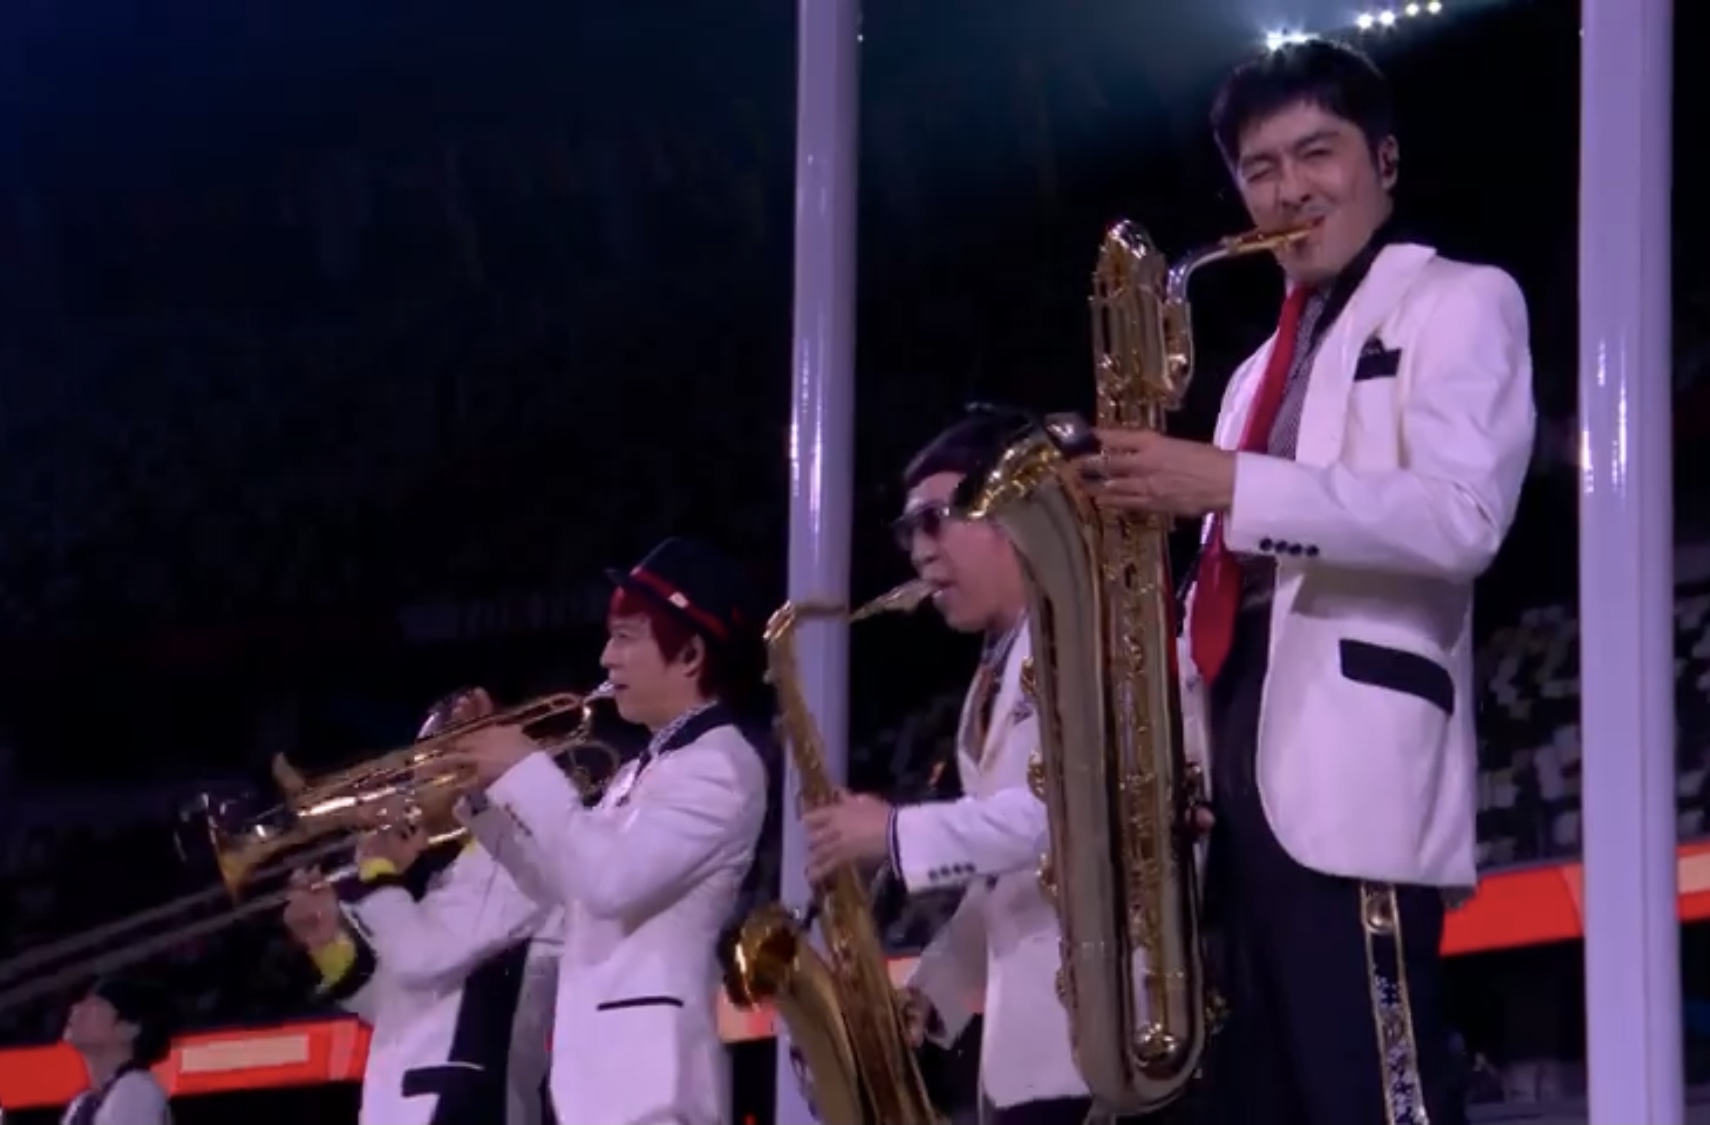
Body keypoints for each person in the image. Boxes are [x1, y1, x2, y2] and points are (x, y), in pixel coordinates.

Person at [1082, 37, 1535, 1125]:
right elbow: (1231, 582)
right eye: (1260, 168)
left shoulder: (1461, 300)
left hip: (1354, 792)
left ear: (1385, 160)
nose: (1288, 191)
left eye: (1316, 153)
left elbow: (1463, 518)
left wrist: (1230, 482)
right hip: (1231, 800)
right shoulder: (1248, 374)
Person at [800, 409, 1102, 1125]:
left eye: (935, 521)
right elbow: (1008, 883)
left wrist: (894, 833)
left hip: (1103, 1042)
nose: (919, 552)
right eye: (909, 531)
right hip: (1031, 1060)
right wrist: (930, 995)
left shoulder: (1094, 635)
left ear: (1017, 510)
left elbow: (1077, 819)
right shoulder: (993, 673)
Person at [446, 536, 771, 1125]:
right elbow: (563, 888)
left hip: (652, 1087)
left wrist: (525, 769)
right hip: (602, 1084)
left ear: (690, 654)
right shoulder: (645, 768)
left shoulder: (720, 766)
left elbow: (610, 883)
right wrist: (481, 796)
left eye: (625, 637)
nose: (606, 658)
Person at [280, 688, 561, 1125]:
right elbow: (400, 1006)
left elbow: (421, 961)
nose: (410, 781)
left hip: (467, 1106)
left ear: (470, 765)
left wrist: (378, 873)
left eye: (427, 758)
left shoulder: (516, 863)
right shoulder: (451, 874)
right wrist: (330, 944)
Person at [60, 976, 174, 1125]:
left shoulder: (136, 1090)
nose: (76, 1009)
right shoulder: (82, 1103)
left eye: (95, 1005)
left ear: (128, 1029)